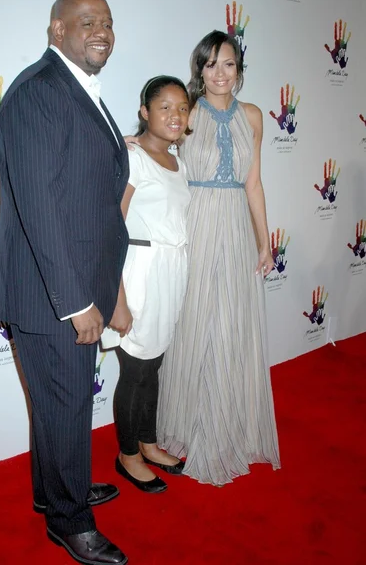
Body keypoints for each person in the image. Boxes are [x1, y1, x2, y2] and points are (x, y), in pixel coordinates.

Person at [0, 0, 129, 565]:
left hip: (70, 285)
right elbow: (41, 208)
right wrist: (77, 301)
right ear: (56, 29)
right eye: (87, 22)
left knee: (57, 406)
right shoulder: (40, 93)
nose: (102, 31)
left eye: (108, 23)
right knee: (67, 405)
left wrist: (103, 289)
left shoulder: (76, 89)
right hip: (51, 297)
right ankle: (70, 521)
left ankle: (56, 492)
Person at [156, 30, 281, 486]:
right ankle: (191, 428)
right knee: (196, 325)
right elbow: (157, 146)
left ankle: (229, 428)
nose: (220, 73)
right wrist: (131, 144)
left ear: (239, 70)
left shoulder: (253, 117)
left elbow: (253, 184)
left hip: (234, 230)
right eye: (210, 65)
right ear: (199, 70)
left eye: (228, 64)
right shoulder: (184, 115)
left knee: (230, 326)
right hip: (197, 226)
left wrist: (264, 241)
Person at [108, 76, 191, 493]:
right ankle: (127, 455)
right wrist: (117, 299)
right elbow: (110, 227)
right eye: (164, 107)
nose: (174, 115)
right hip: (137, 274)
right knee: (135, 369)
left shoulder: (180, 162)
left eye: (181, 108)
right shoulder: (131, 158)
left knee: (153, 366)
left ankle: (148, 441)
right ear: (145, 112)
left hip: (169, 276)